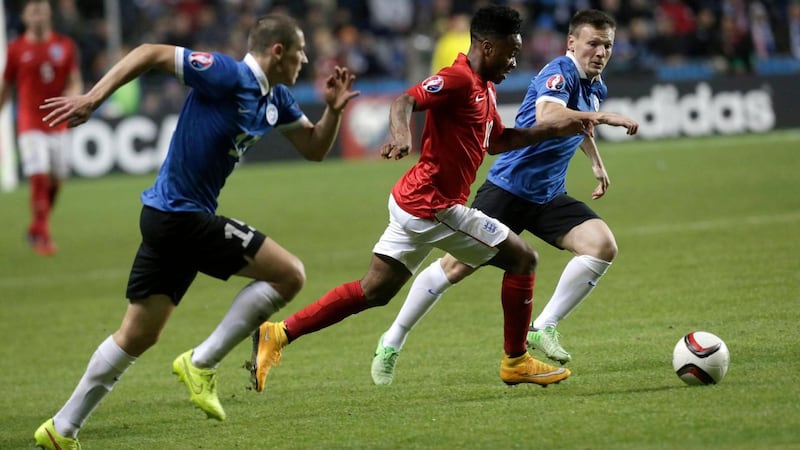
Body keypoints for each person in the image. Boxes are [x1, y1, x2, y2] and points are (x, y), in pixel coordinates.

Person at [33, 13, 359, 449]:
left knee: (138, 334)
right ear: (278, 51)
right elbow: (150, 53)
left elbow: (315, 147)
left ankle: (61, 428)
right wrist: (93, 98)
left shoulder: (277, 98)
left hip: (170, 220)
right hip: (179, 216)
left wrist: (334, 113)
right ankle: (202, 363)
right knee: (289, 274)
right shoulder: (227, 74)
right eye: (300, 52)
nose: (305, 60)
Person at [247, 5, 596, 394]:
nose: (515, 61)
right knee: (523, 258)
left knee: (373, 291)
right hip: (434, 206)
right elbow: (404, 102)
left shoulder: (485, 88)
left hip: (413, 202)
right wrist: (400, 133)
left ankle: (277, 334)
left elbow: (498, 141)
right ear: (487, 45)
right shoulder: (457, 78)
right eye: (511, 52)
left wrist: (551, 130)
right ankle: (516, 360)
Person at [370, 9, 639, 385]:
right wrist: (603, 118)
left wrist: (596, 162)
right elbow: (549, 114)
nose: (600, 52)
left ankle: (542, 327)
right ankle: (393, 338)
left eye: (607, 45)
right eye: (593, 43)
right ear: (572, 43)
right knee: (454, 269)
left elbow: (576, 126)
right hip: (508, 190)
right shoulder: (558, 72)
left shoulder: (596, 86)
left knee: (601, 245)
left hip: (547, 195)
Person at [0, 0, 82, 255]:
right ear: (25, 16)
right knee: (39, 176)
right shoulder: (15, 50)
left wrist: (74, 97)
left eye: (41, 10)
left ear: (49, 14)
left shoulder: (64, 46)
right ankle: (44, 238)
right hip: (29, 123)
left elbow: (74, 81)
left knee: (56, 179)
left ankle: (36, 227)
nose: (38, 15)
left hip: (57, 123)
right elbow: (6, 87)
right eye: (32, 11)